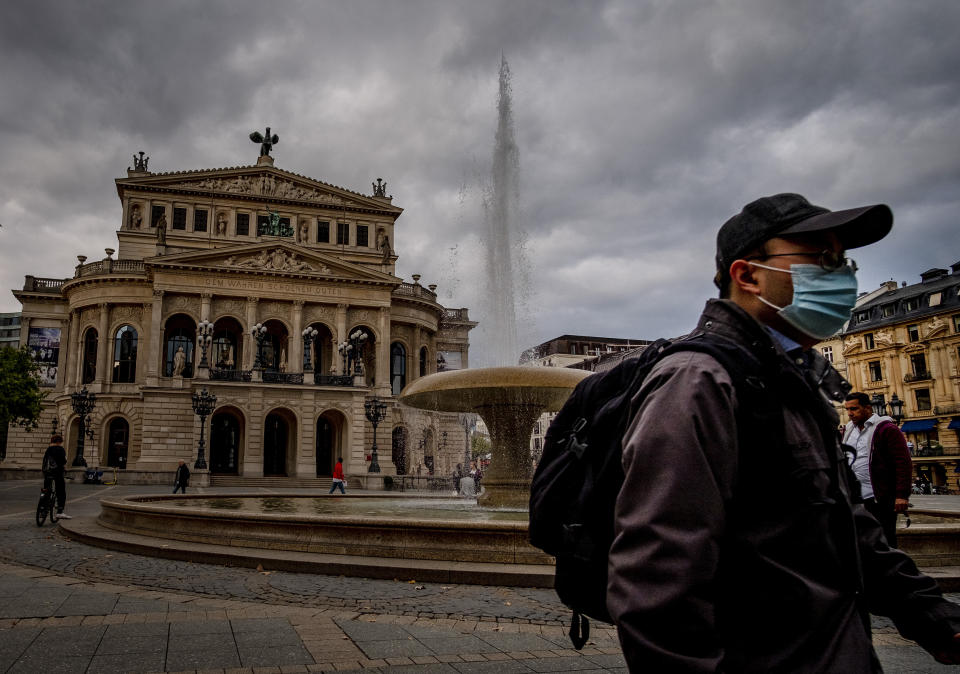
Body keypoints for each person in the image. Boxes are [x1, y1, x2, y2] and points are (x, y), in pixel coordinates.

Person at [607, 193, 960, 671]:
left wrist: (930, 614)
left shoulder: (794, 380)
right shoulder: (699, 383)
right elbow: (657, 580)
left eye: (844, 261)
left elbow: (848, 526)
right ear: (748, 275)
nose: (843, 276)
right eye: (821, 259)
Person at [843, 391, 912, 547]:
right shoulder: (848, 431)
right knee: (858, 543)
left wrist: (902, 495)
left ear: (867, 408)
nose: (850, 413)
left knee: (884, 541)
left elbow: (903, 463)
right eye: (847, 409)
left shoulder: (887, 429)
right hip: (854, 499)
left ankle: (891, 571)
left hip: (879, 498)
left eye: (854, 409)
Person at [41, 434, 70, 519]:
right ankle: (60, 511)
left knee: (46, 490)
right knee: (61, 491)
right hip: (57, 473)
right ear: (59, 442)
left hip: (47, 473)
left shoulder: (48, 449)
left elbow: (45, 461)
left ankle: (43, 510)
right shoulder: (60, 449)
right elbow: (63, 461)